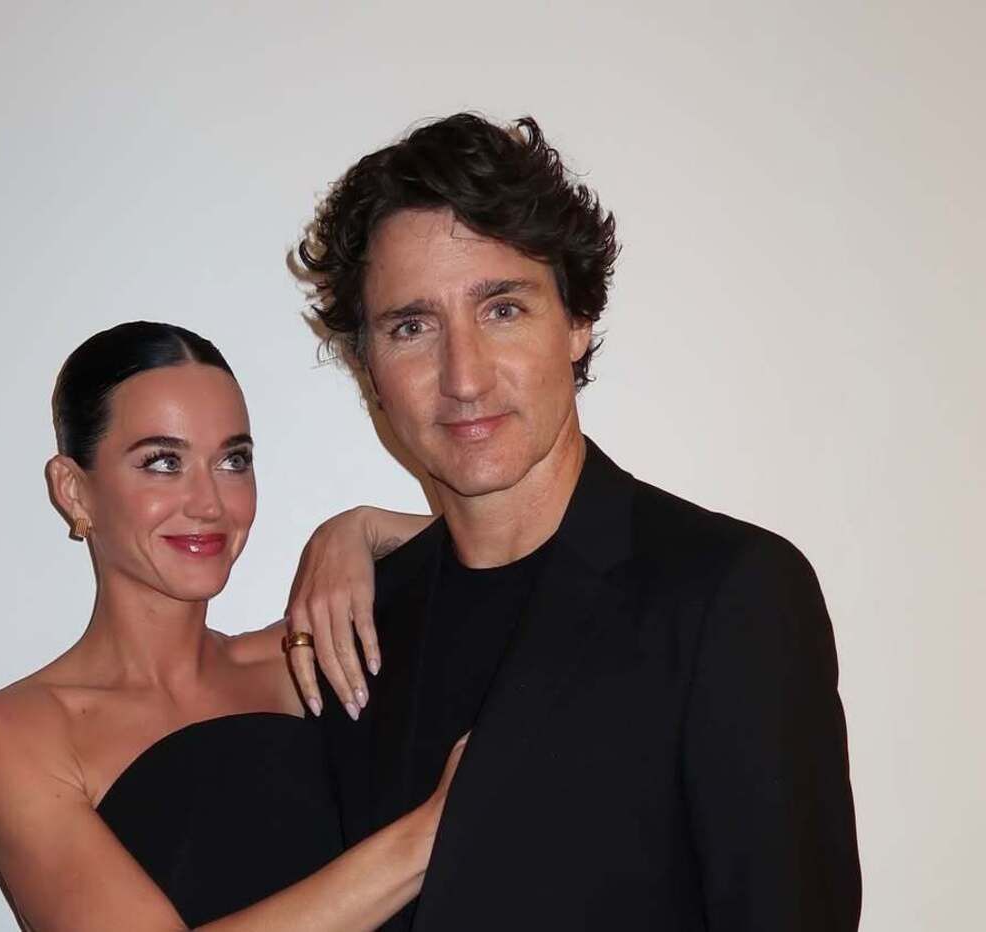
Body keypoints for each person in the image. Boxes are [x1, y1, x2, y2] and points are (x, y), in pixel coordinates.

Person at [287, 114, 862, 930]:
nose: (462, 377)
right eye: (411, 327)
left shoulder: (728, 593)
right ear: (367, 367)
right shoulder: (362, 625)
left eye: (501, 309)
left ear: (577, 321)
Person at [0, 321, 465, 932]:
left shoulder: (308, 652)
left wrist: (360, 529)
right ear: (74, 490)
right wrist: (429, 837)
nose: (209, 502)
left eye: (232, 460)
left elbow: (529, 557)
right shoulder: (8, 734)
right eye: (163, 462)